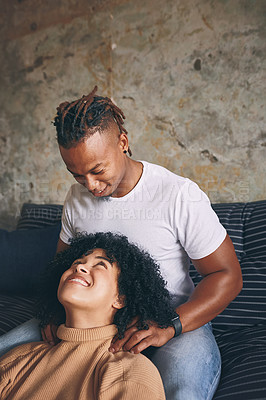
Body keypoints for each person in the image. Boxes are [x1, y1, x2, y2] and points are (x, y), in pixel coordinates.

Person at [0, 86, 243, 399]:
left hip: (170, 318)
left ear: (123, 143)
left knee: (184, 392)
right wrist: (50, 311)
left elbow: (227, 275)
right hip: (92, 322)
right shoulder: (77, 199)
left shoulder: (178, 195)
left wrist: (171, 326)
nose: (90, 185)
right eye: (77, 175)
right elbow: (61, 266)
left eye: (98, 170)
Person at [0, 231, 173, 399]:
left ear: (120, 299)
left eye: (100, 265)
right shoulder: (19, 359)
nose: (79, 267)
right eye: (76, 262)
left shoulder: (130, 373)